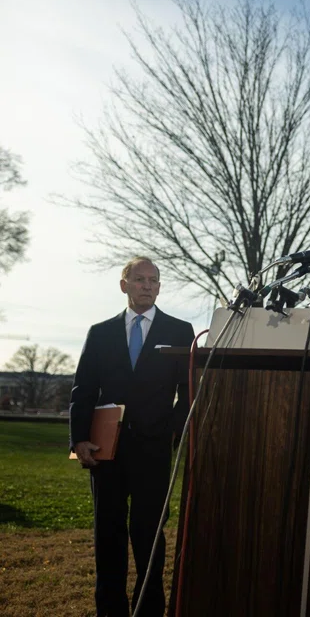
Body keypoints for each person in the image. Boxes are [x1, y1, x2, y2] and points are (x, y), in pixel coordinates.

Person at [69, 257, 195, 617]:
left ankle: (149, 610)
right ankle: (110, 611)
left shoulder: (181, 330)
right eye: (139, 279)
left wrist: (172, 430)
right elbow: (83, 390)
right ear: (124, 285)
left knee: (149, 538)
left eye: (153, 280)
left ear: (159, 286)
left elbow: (187, 392)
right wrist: (79, 440)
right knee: (107, 536)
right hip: (104, 450)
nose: (147, 285)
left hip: (153, 452)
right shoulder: (101, 332)